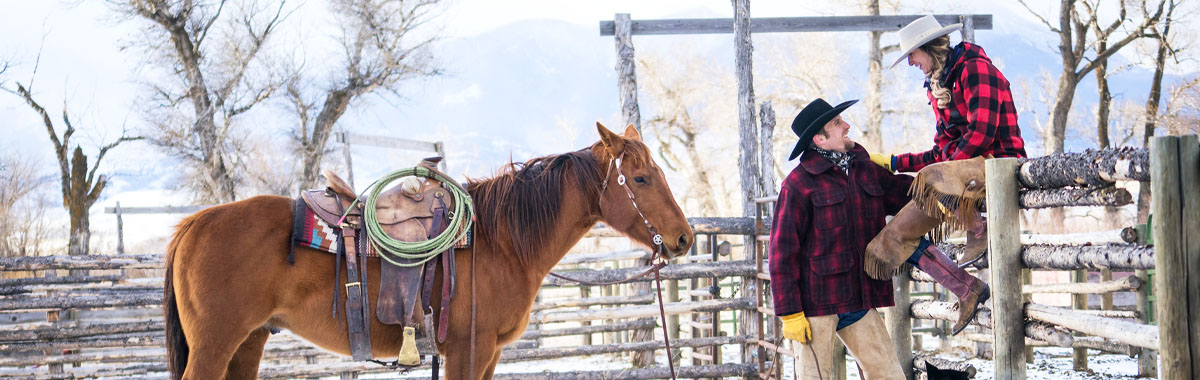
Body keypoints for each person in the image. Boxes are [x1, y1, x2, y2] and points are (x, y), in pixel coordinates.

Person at [865, 14, 1027, 335]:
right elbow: (940, 152)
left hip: (997, 164)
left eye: (912, 54)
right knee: (890, 240)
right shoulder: (937, 86)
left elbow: (982, 133)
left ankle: (977, 227)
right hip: (957, 173)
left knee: (932, 178)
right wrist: (893, 162)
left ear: (929, 47)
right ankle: (967, 289)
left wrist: (941, 171)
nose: (910, 62)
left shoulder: (975, 69)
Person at [769, 98, 912, 380]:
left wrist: (942, 191)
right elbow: (781, 254)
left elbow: (906, 193)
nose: (846, 126)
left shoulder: (865, 169)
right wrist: (790, 313)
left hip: (859, 299)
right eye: (837, 123)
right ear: (820, 139)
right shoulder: (798, 184)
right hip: (815, 306)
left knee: (890, 375)